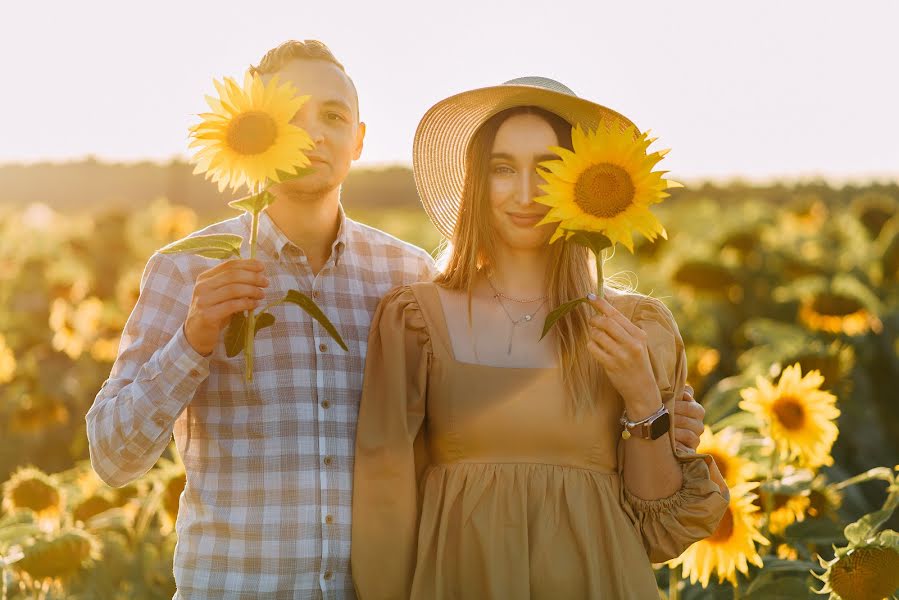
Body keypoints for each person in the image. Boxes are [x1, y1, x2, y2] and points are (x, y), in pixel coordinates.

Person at [87, 39, 708, 598]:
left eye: (332, 116)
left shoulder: (406, 279)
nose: (314, 134)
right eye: (288, 116)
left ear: (358, 138)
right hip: (237, 586)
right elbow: (114, 458)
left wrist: (651, 414)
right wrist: (194, 339)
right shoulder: (185, 270)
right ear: (254, 130)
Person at [351, 77, 729, 599]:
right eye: (503, 168)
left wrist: (642, 396)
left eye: (548, 169)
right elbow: (383, 496)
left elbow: (658, 526)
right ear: (476, 183)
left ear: (583, 184)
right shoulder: (417, 320)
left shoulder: (636, 328)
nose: (525, 192)